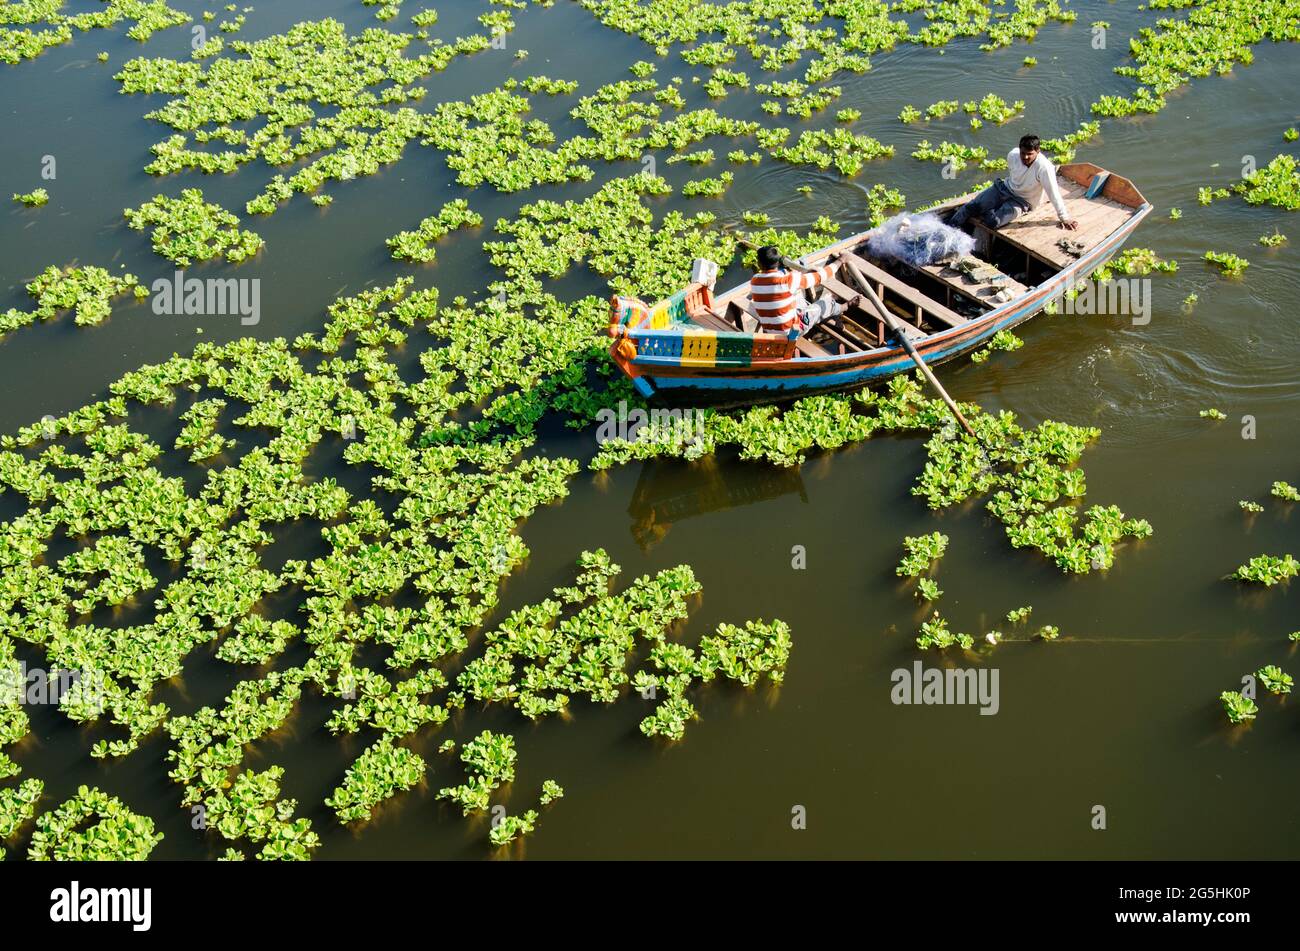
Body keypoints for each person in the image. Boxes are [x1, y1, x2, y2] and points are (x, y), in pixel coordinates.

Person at [949, 135, 1079, 232]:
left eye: (1030, 154)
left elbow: (1054, 194)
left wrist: (1064, 217)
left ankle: (988, 209)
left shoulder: (1045, 168)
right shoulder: (1012, 155)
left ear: (1038, 152)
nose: (1025, 157)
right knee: (971, 207)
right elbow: (1014, 176)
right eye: (1023, 153)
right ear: (1019, 149)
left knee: (993, 221)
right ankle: (948, 229)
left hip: (1023, 201)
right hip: (1004, 188)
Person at [749, 245, 857, 339]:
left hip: (770, 332)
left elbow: (777, 280)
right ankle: (845, 306)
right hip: (791, 333)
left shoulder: (755, 280)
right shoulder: (788, 280)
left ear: (759, 264)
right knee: (827, 302)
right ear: (777, 262)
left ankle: (814, 315)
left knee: (798, 298)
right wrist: (841, 260)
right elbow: (822, 276)